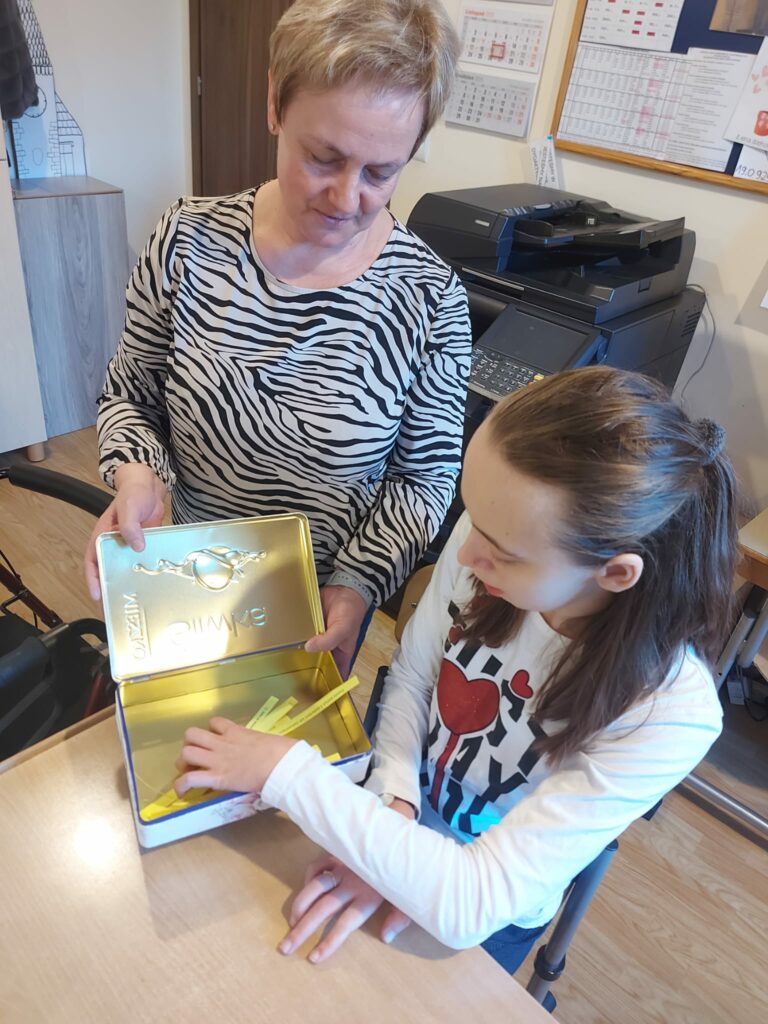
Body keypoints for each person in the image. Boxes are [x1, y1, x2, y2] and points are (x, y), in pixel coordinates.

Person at [172, 366, 739, 973]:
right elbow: (413, 678)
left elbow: (474, 900)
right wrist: (390, 813)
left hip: (486, 911)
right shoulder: (492, 532)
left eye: (502, 553)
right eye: (471, 519)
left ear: (615, 573)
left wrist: (285, 771)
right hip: (389, 817)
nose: (466, 554)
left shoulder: (668, 713)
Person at [84, 0, 471, 677]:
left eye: (381, 173)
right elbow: (130, 394)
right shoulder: (187, 241)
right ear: (274, 106)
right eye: (324, 158)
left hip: (318, 610)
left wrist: (357, 584)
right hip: (182, 582)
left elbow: (425, 479)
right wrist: (138, 473)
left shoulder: (429, 299)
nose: (346, 198)